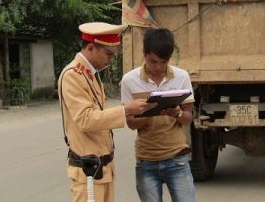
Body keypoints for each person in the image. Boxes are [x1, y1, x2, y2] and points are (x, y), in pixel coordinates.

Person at [58, 22, 157, 202]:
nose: (111, 59)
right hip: (88, 171)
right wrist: (126, 110)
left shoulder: (90, 73)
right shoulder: (73, 74)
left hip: (101, 168)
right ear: (90, 48)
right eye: (108, 54)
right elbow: (85, 119)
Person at [120, 28, 197, 202]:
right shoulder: (129, 80)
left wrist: (177, 112)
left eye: (164, 62)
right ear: (144, 53)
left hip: (177, 159)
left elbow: (187, 119)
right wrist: (152, 111)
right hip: (146, 160)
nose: (158, 67)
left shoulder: (181, 76)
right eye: (153, 61)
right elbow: (131, 124)